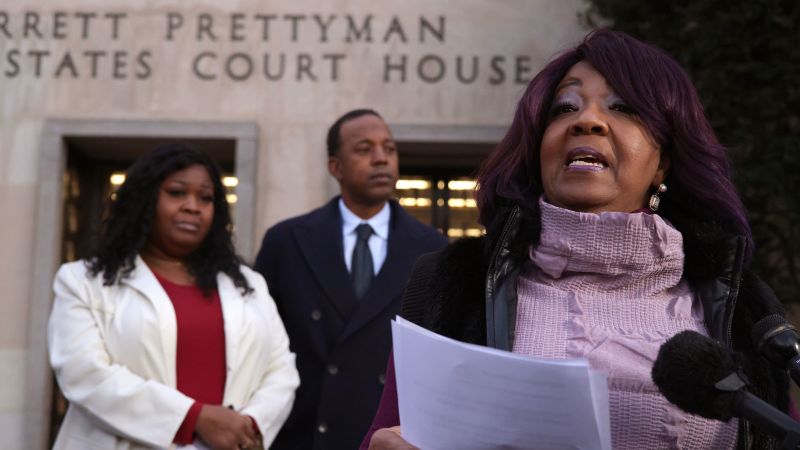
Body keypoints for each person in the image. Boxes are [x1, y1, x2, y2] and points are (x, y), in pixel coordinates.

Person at [362, 29, 790, 450]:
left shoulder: (744, 306)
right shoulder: (453, 284)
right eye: (564, 108)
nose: (587, 120)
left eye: (623, 107)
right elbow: (387, 434)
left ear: (662, 163)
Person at [48, 143, 299, 450]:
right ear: (144, 201)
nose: (193, 206)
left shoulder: (249, 284)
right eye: (177, 193)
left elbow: (281, 369)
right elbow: (83, 374)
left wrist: (248, 426)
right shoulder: (83, 281)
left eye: (205, 198)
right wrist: (194, 418)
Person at [254, 109, 448, 450]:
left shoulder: (434, 250)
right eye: (364, 149)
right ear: (335, 167)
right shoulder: (285, 242)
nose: (381, 158)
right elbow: (260, 346)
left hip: (389, 439)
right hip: (303, 437)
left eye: (389, 148)